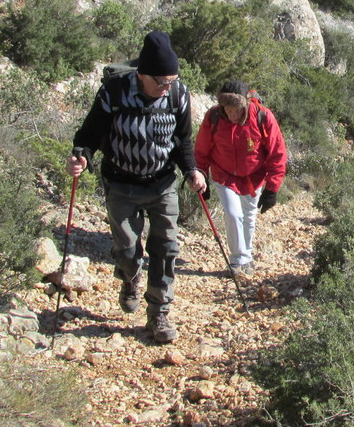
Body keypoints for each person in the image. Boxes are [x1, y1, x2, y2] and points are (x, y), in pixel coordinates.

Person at [66, 30, 206, 344]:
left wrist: (192, 171)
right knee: (128, 251)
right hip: (121, 184)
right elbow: (88, 136)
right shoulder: (113, 93)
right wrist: (81, 157)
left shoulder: (177, 95)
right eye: (160, 82)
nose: (165, 87)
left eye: (170, 81)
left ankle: (159, 313)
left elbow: (182, 141)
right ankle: (129, 279)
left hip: (163, 183)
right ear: (141, 74)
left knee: (166, 248)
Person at [194, 80, 288, 276]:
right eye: (227, 110)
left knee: (249, 216)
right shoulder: (214, 117)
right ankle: (238, 260)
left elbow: (277, 153)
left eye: (236, 110)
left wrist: (272, 188)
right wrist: (201, 174)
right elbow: (202, 150)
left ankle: (247, 257)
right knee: (233, 213)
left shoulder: (263, 117)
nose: (232, 115)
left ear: (245, 104)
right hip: (223, 174)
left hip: (254, 177)